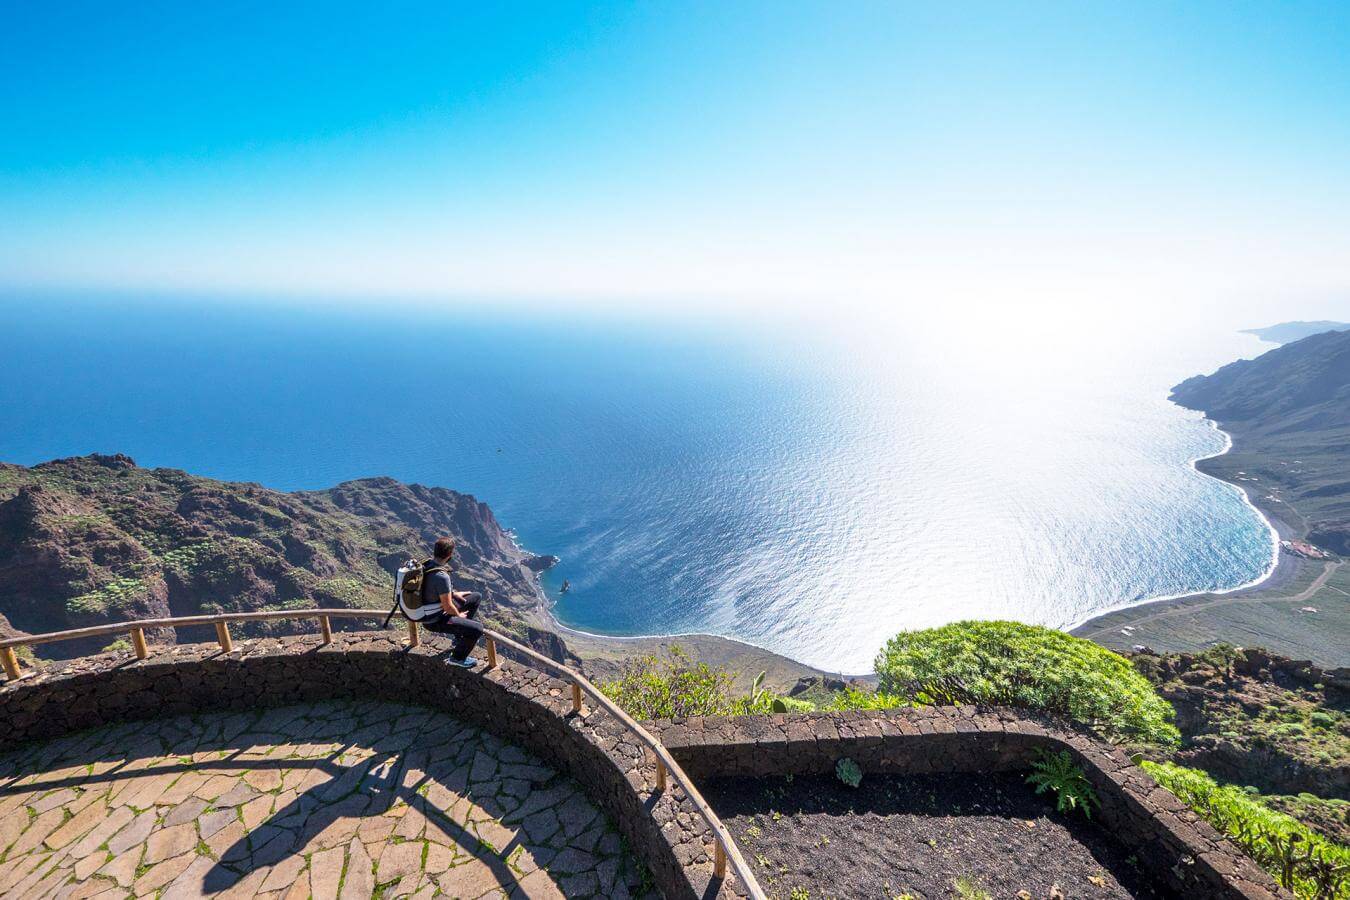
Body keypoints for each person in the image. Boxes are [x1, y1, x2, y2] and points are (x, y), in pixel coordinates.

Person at [420, 536, 483, 667]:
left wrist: (453, 594)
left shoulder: (426, 565)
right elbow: (448, 607)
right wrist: (458, 616)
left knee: (475, 597)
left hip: (428, 612)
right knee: (477, 629)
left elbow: (431, 588)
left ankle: (458, 637)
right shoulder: (442, 576)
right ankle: (458, 658)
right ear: (450, 555)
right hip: (434, 620)